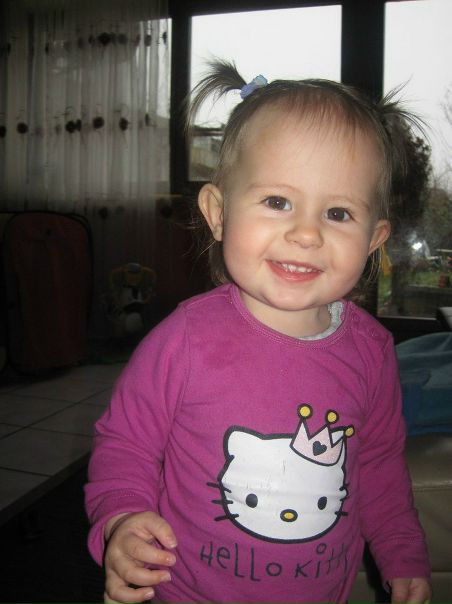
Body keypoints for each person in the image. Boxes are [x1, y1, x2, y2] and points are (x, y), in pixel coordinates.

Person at [85, 59, 432, 604]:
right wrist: (121, 517)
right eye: (277, 202)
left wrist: (402, 550)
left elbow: (379, 463)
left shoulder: (372, 350)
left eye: (338, 213)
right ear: (218, 213)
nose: (306, 233)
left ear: (373, 238)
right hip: (189, 593)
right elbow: (126, 444)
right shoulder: (185, 340)